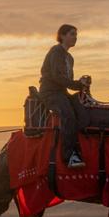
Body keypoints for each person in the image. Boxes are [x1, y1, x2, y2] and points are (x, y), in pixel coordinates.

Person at [39, 24, 91, 168]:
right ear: (62, 36)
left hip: (62, 93)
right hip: (50, 92)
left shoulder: (69, 58)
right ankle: (69, 156)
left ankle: (80, 148)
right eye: (72, 34)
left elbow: (66, 80)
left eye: (76, 35)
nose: (75, 37)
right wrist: (77, 85)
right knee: (68, 116)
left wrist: (80, 84)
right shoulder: (56, 52)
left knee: (83, 112)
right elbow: (58, 77)